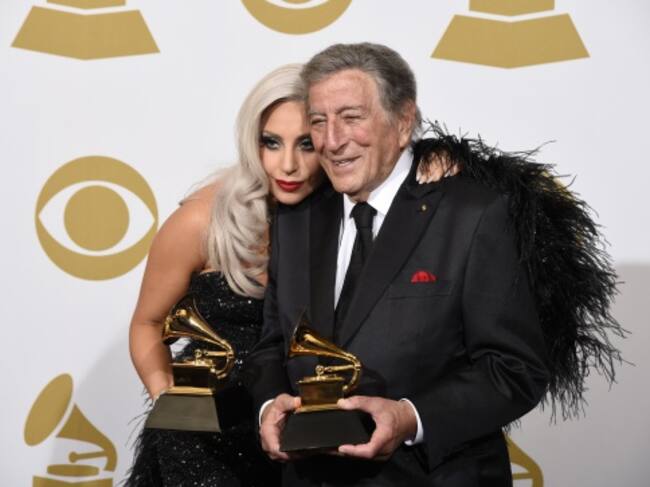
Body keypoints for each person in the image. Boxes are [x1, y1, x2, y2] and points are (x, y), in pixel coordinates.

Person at [249, 43, 623, 486]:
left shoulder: (474, 215)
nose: (332, 141)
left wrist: (411, 417)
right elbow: (273, 344)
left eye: (351, 118)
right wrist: (268, 406)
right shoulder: (297, 219)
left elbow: (514, 368)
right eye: (318, 121)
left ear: (403, 121)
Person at [124, 62, 456, 486]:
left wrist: (442, 157)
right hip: (206, 442)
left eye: (306, 144)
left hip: (303, 439)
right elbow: (148, 323)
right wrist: (172, 403)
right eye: (271, 142)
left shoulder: (348, 210)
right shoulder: (202, 220)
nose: (288, 165)